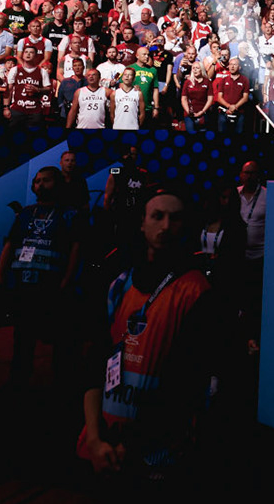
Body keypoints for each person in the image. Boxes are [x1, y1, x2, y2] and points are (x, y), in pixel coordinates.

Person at [79, 183, 217, 476]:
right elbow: (95, 362)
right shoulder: (120, 284)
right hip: (105, 440)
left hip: (158, 454)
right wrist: (94, 436)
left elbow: (185, 385)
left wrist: (130, 445)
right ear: (142, 223)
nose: (166, 226)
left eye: (175, 218)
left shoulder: (196, 292)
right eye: (157, 216)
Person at [0, 162, 90, 389]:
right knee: (22, 338)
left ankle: (61, 386)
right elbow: (10, 244)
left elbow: (76, 247)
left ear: (58, 184)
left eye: (46, 180)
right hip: (23, 287)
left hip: (52, 288)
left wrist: (67, 279)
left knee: (60, 339)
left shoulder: (70, 215)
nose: (40, 184)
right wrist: (0, 276)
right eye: (37, 181)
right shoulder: (25, 214)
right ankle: (18, 381)